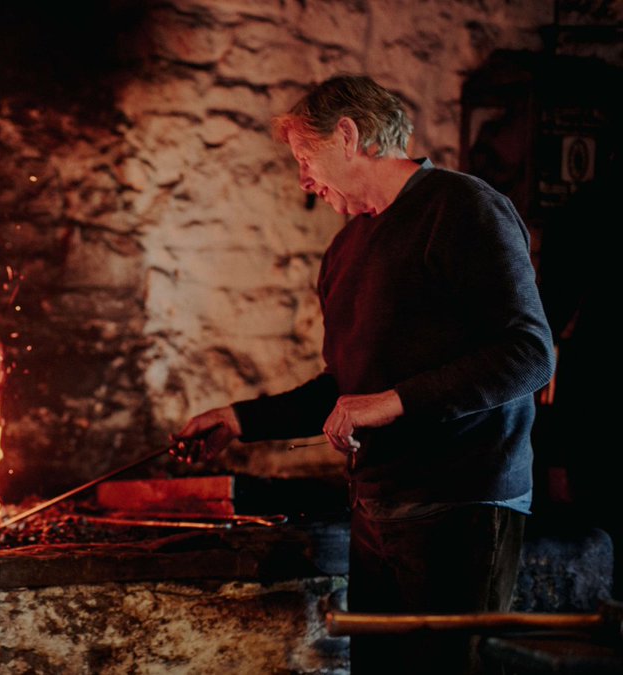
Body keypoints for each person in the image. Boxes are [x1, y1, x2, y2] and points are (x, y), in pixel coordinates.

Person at [176, 75, 555, 675]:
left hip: (463, 507)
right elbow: (345, 390)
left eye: (306, 158)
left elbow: (530, 354)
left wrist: (394, 403)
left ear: (349, 135)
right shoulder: (345, 251)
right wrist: (240, 420)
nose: (304, 180)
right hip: (377, 514)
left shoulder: (461, 207)